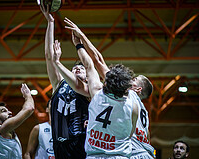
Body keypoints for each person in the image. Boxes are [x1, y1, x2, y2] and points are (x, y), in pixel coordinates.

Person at [64, 17, 155, 158]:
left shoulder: (128, 96)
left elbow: (97, 61)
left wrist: (80, 38)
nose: (130, 80)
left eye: (134, 80)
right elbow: (146, 134)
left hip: (133, 152)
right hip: (146, 152)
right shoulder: (142, 111)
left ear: (137, 89)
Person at [40, 4, 90, 159]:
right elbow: (49, 56)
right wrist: (50, 22)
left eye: (82, 68)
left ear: (88, 76)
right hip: (60, 148)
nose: (77, 68)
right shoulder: (60, 84)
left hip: (83, 149)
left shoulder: (91, 91)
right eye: (75, 68)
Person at [0, 83, 35, 159]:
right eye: (3, 111)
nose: (10, 112)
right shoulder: (2, 129)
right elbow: (29, 108)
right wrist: (28, 96)